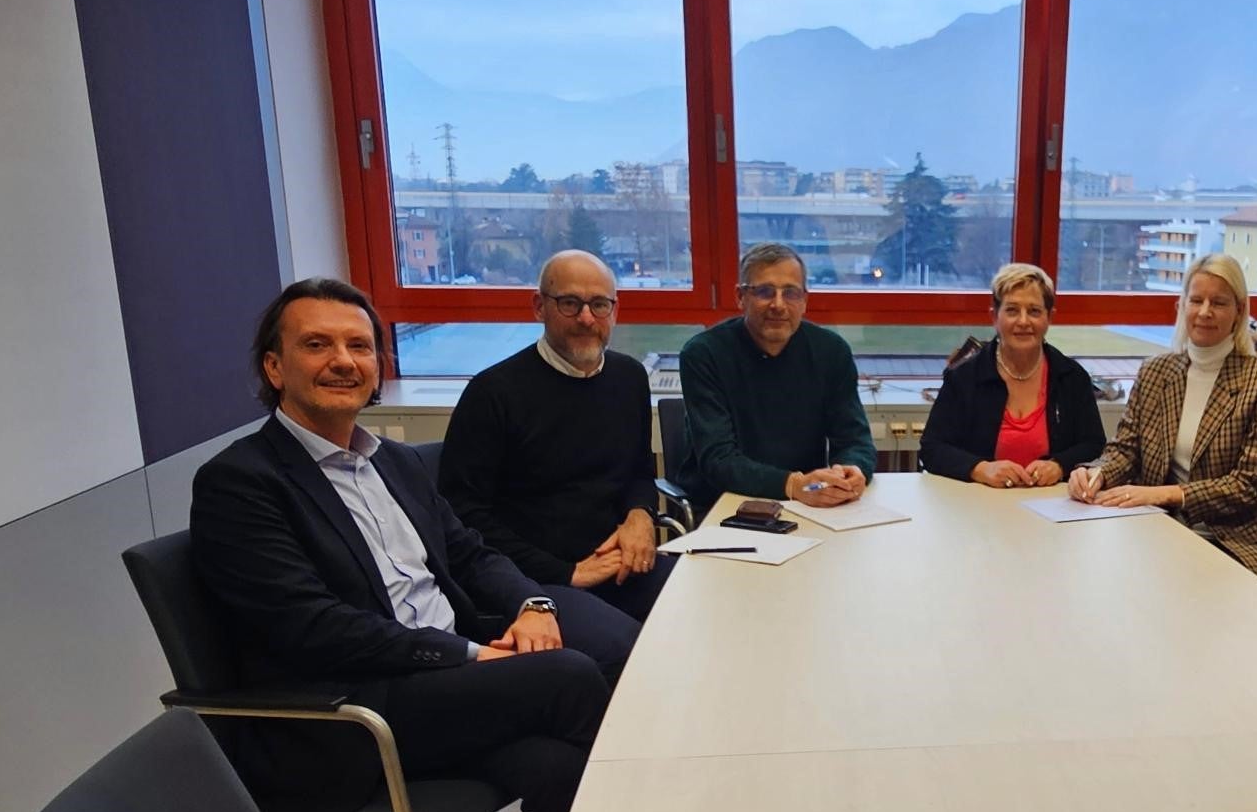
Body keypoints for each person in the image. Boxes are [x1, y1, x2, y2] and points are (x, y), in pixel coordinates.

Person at [189, 279, 639, 812]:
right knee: (573, 673)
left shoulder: (395, 463)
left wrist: (532, 604)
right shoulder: (241, 483)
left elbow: (472, 554)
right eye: (317, 344)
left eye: (359, 346)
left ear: (377, 365)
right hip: (350, 713)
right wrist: (473, 654)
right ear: (275, 366)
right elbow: (312, 629)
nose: (343, 361)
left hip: (440, 694)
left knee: (565, 768)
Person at [438, 250, 673, 621]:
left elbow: (639, 471)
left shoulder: (629, 377)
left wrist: (640, 516)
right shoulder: (493, 393)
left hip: (618, 565)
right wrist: (565, 572)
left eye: (599, 304)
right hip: (535, 581)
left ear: (615, 310)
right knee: (630, 647)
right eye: (569, 303)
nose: (585, 318)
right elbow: (462, 516)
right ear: (538, 306)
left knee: (708, 602)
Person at [1066, 254, 1257, 580]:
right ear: (1181, 306)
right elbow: (1125, 449)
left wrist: (1163, 494)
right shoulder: (1156, 371)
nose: (1204, 312)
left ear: (1239, 311)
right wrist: (1095, 475)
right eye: (1196, 300)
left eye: (1218, 302)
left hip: (1240, 535)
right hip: (1164, 524)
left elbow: (1250, 485)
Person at [677, 242, 877, 513]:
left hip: (809, 503)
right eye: (764, 291)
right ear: (740, 297)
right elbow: (718, 459)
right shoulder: (704, 354)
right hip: (725, 505)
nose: (778, 305)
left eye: (791, 293)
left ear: (805, 300)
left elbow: (855, 439)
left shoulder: (831, 351)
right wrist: (793, 485)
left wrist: (851, 470)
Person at [919, 263, 1106, 488]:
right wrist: (981, 469)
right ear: (994, 317)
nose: (1024, 321)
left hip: (1051, 505)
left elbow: (1093, 444)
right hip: (978, 504)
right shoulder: (963, 377)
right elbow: (932, 448)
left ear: (1050, 317)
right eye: (1012, 310)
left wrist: (1060, 465)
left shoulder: (1072, 377)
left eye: (1034, 311)